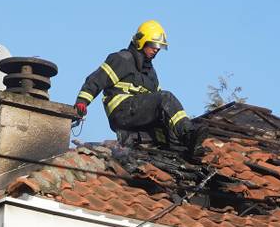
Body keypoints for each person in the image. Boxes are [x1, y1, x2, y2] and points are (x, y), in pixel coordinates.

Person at [74, 20, 208, 154]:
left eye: (159, 47)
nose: (156, 49)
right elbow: (97, 79)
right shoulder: (122, 59)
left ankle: (184, 150)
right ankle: (188, 134)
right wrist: (82, 101)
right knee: (166, 98)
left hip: (137, 115)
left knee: (167, 127)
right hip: (122, 111)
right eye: (153, 45)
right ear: (140, 42)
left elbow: (158, 103)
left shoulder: (150, 72)